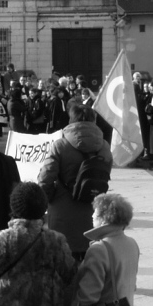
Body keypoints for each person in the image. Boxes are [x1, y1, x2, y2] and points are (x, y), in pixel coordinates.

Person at [37, 105, 113, 259]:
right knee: (89, 262)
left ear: (71, 120)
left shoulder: (60, 145)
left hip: (62, 210)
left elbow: (45, 178)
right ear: (94, 120)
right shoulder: (104, 146)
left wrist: (50, 198)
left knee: (61, 260)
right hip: (93, 210)